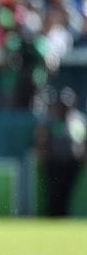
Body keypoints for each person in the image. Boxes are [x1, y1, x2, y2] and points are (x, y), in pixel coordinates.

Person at [35, 86, 87, 217]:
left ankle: (63, 217)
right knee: (54, 192)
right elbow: (42, 138)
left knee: (67, 192)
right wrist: (42, 155)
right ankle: (52, 217)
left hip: (73, 164)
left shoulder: (79, 119)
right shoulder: (52, 119)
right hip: (55, 163)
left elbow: (83, 140)